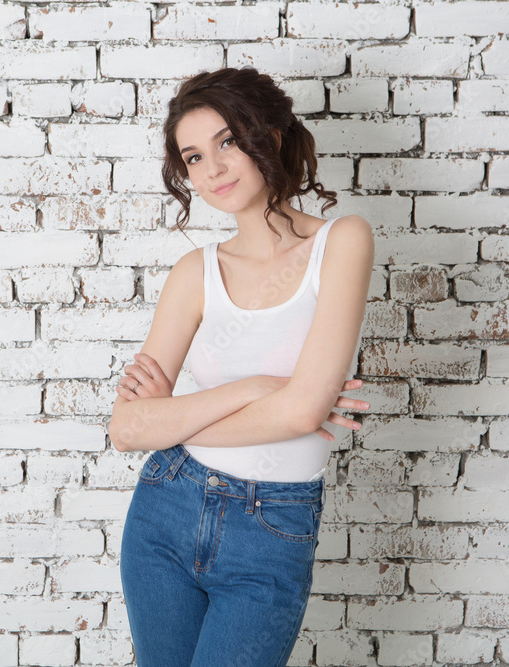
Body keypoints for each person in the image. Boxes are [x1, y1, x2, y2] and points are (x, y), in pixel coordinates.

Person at [108, 67, 375, 667]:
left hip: (271, 526)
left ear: (270, 137)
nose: (214, 169)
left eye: (227, 142)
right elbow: (125, 431)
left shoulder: (342, 242)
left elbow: (305, 411)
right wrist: (259, 392)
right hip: (166, 510)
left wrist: (169, 419)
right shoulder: (192, 273)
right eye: (194, 157)